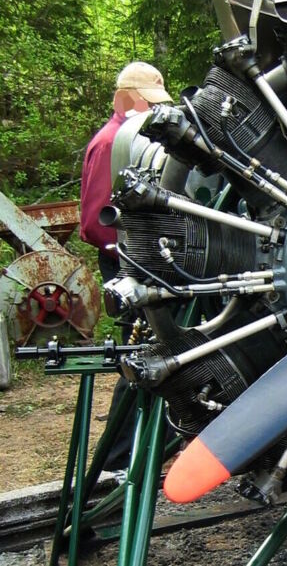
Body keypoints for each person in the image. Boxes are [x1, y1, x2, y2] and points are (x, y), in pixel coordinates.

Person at [81, 61, 172, 471]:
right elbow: (96, 222)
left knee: (160, 351)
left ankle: (149, 448)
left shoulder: (134, 137)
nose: (153, 108)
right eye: (148, 100)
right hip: (127, 265)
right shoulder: (110, 143)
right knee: (141, 355)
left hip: (143, 261)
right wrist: (137, 256)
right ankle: (118, 459)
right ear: (128, 97)